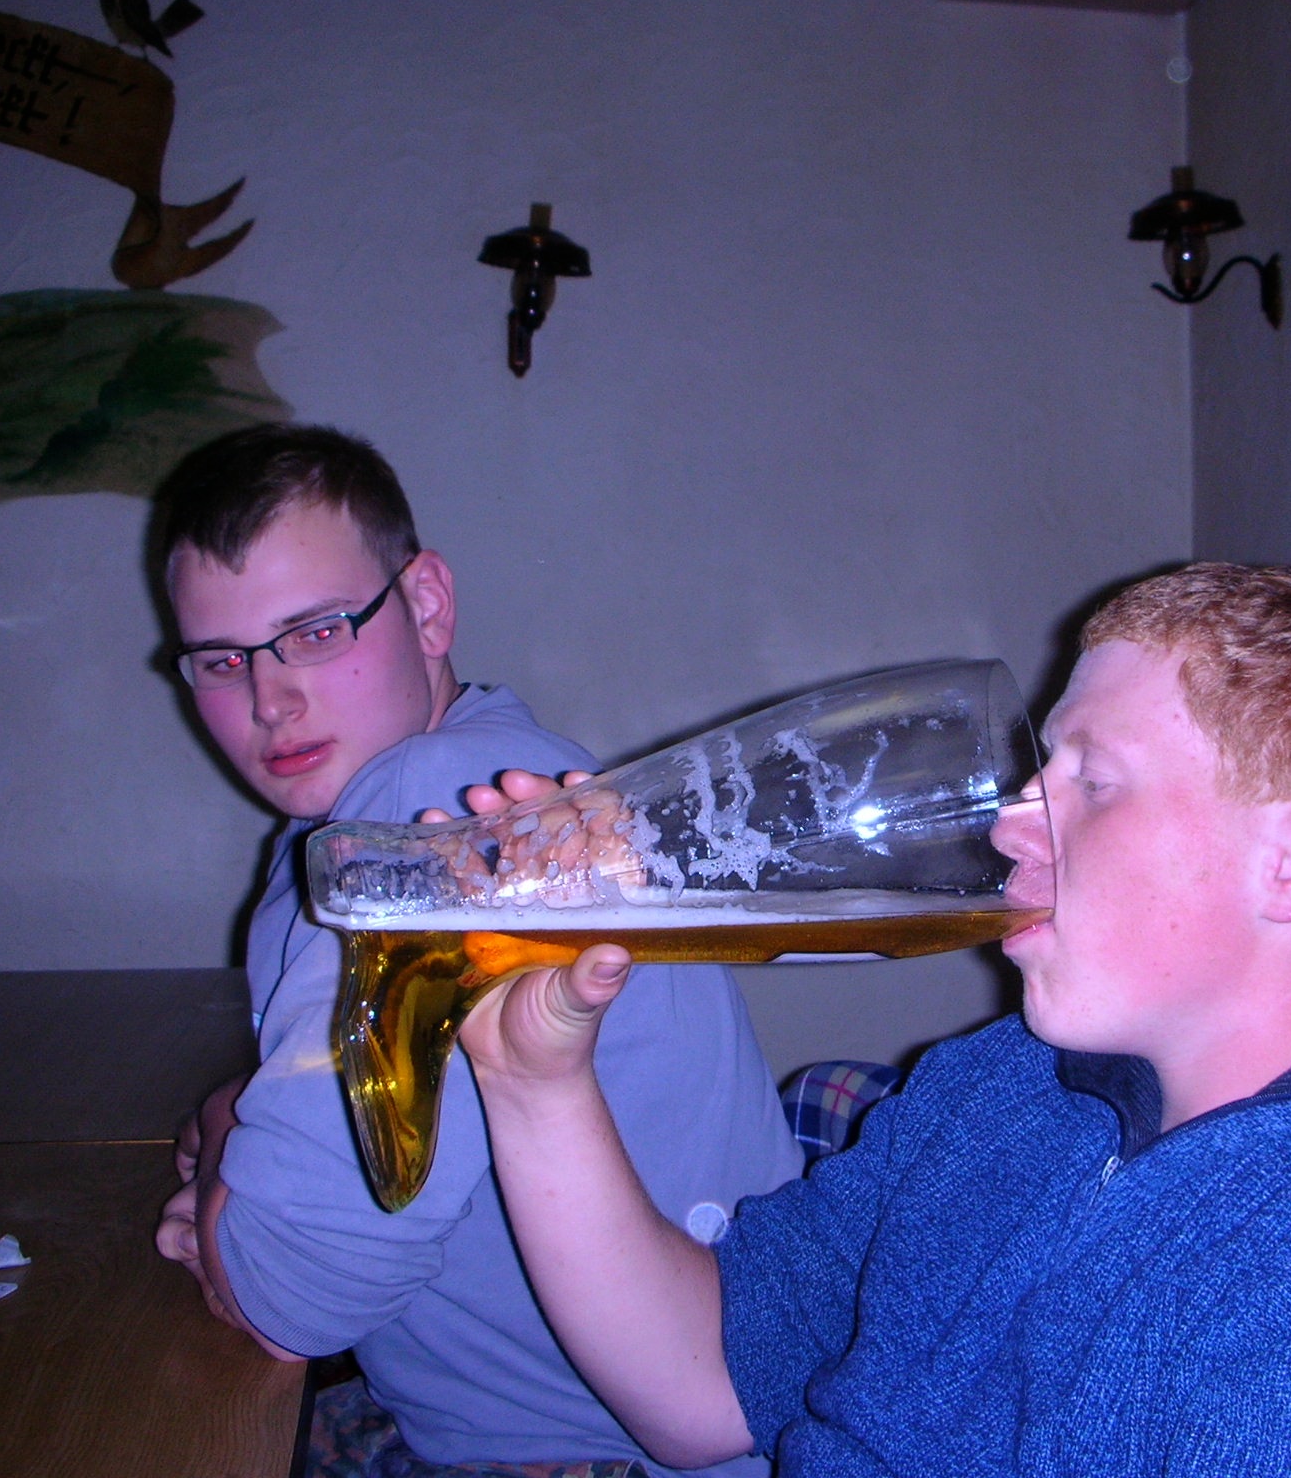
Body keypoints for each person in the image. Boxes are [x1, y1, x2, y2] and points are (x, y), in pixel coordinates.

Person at [452, 562, 1291, 1476]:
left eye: (1090, 780)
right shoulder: (1006, 1086)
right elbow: (698, 1390)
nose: (1004, 822)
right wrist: (533, 1081)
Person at [148, 424, 803, 1477]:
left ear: (427, 605)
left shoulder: (437, 814)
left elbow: (290, 1302)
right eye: (223, 662)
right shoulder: (390, 807)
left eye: (316, 633)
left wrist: (229, 1125)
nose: (269, 702)